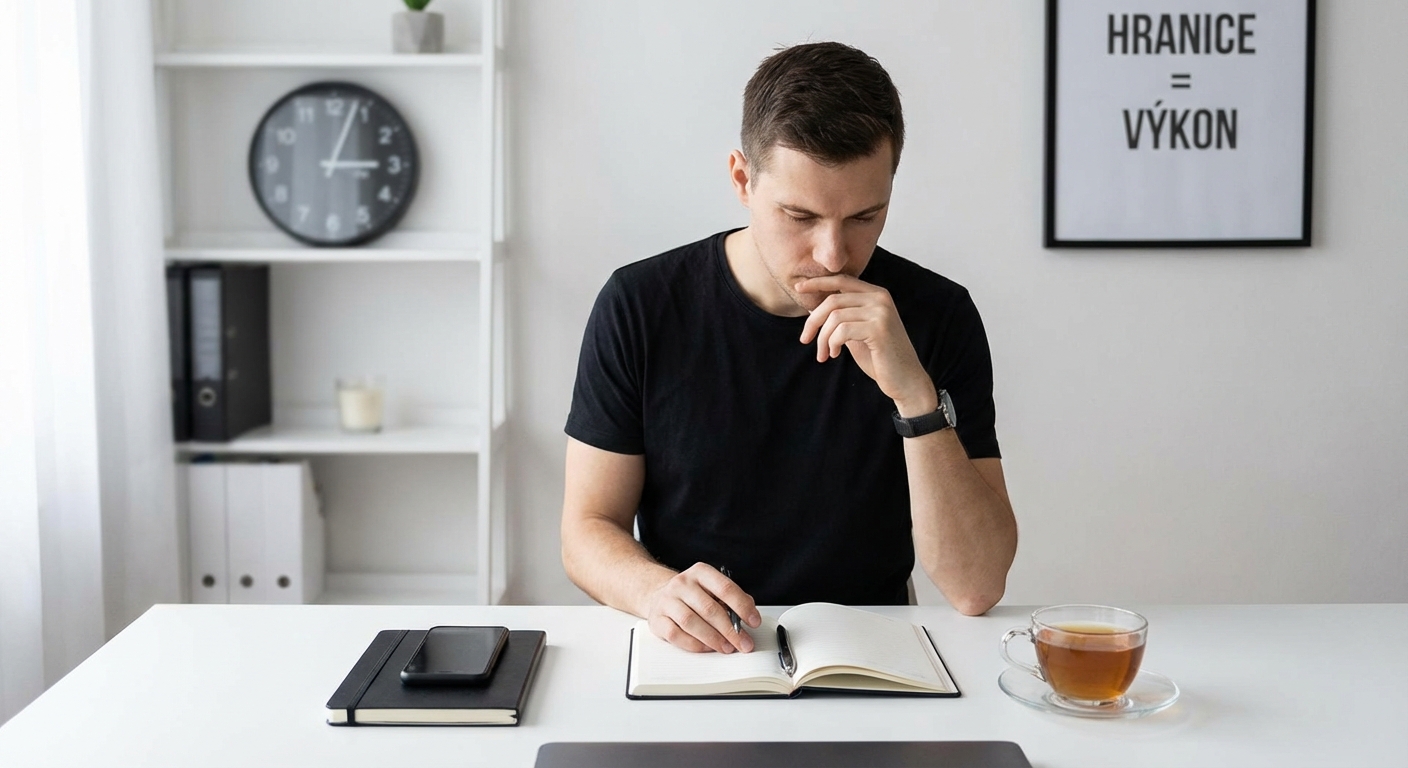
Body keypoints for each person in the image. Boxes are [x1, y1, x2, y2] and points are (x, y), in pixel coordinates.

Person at [560, 41, 1017, 655]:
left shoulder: (939, 315)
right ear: (742, 180)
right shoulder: (641, 305)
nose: (833, 255)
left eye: (864, 217)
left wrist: (915, 396)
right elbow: (587, 529)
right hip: (697, 652)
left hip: (869, 656)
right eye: (800, 217)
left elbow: (976, 587)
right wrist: (654, 592)